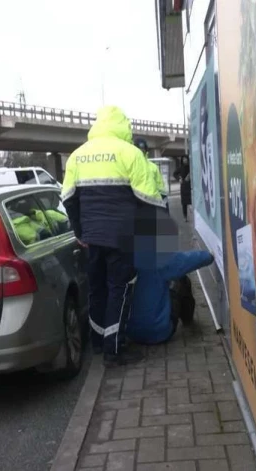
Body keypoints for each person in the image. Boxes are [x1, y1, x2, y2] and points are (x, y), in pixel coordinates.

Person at [61, 105, 166, 367]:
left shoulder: (77, 156)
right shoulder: (130, 153)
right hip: (123, 237)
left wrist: (79, 232)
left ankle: (98, 342)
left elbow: (68, 198)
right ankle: (115, 349)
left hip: (92, 238)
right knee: (120, 289)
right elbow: (149, 199)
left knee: (97, 289)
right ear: (123, 126)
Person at [127, 239, 214, 344]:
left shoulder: (122, 258)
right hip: (160, 332)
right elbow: (189, 260)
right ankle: (187, 320)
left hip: (130, 333)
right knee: (181, 279)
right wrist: (210, 255)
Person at [179, 157, 192, 221]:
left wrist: (190, 176)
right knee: (184, 203)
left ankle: (193, 215)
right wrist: (179, 178)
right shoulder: (181, 167)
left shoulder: (191, 166)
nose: (185, 160)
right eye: (183, 159)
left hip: (190, 186)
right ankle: (185, 216)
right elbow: (174, 173)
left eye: (186, 159)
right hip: (183, 187)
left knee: (191, 201)